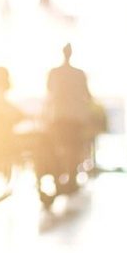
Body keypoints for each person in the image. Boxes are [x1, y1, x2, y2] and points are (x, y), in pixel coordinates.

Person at [44, 43, 95, 177]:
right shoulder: (79, 74)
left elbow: (49, 92)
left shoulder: (54, 72)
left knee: (60, 146)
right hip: (75, 117)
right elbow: (87, 95)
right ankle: (71, 175)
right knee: (74, 147)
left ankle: (59, 174)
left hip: (59, 116)